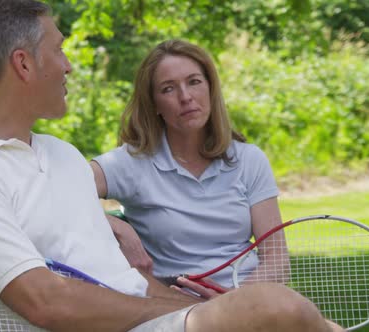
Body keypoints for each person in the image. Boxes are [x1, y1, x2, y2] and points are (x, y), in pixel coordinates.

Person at [0, 1, 343, 331]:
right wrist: (195, 309)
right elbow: (48, 303)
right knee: (277, 308)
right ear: (24, 64)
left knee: (291, 317)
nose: (68, 64)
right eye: (59, 50)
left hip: (146, 321)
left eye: (195, 83)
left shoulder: (61, 156)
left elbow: (129, 280)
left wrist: (112, 226)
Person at [91, 39, 287, 293]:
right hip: (180, 307)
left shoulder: (249, 159)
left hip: (250, 296)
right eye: (168, 89)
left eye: (194, 82)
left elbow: (277, 261)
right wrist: (114, 225)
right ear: (154, 105)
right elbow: (59, 189)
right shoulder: (131, 162)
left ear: (210, 88)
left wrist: (236, 302)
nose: (186, 97)